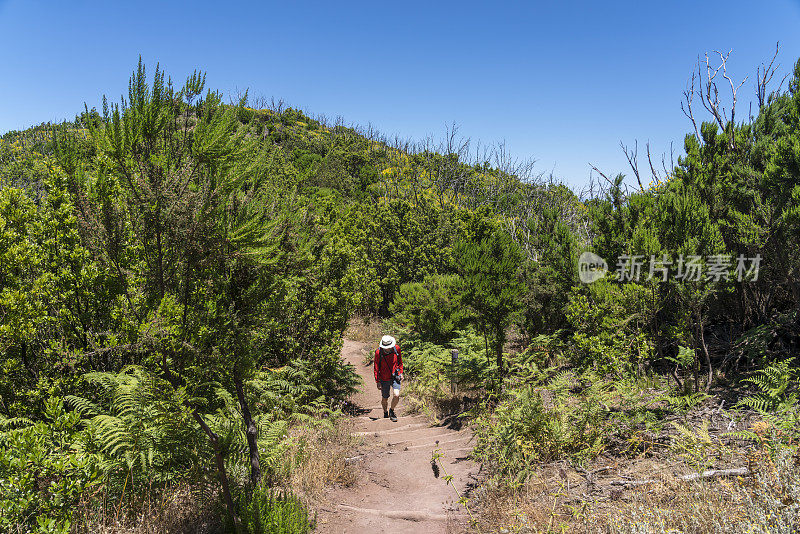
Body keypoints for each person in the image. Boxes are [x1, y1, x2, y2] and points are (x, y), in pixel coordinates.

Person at [374, 335, 403, 422]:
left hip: (395, 375)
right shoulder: (378, 353)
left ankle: (392, 411)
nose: (387, 349)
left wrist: (401, 372)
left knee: (396, 395)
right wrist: (377, 381)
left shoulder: (396, 349)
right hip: (384, 378)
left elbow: (400, 362)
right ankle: (385, 411)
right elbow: (376, 367)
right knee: (385, 398)